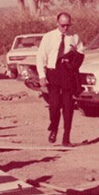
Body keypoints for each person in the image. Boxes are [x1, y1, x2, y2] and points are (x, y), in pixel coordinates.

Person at [35, 12, 85, 146]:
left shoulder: (74, 37)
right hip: (53, 74)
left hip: (68, 75)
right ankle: (54, 128)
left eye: (68, 25)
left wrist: (72, 63)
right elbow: (40, 56)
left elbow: (81, 54)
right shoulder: (49, 37)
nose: (65, 28)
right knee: (54, 106)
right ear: (57, 23)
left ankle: (66, 137)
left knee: (68, 107)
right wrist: (42, 76)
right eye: (63, 25)